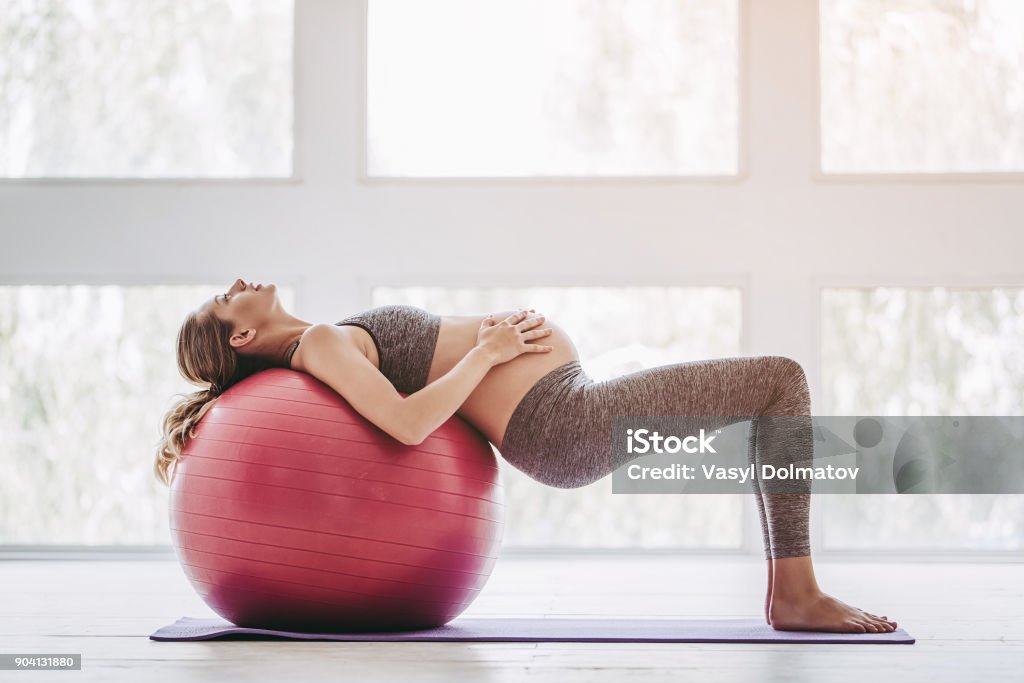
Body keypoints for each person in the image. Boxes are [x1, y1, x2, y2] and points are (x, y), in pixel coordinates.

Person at [155, 277, 897, 634]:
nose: (238, 285)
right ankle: (795, 593)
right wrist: (488, 349)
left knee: (770, 388)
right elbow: (409, 424)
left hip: (566, 402)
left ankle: (792, 590)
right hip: (559, 423)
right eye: (226, 300)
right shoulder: (317, 343)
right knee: (780, 382)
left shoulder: (323, 336)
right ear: (241, 338)